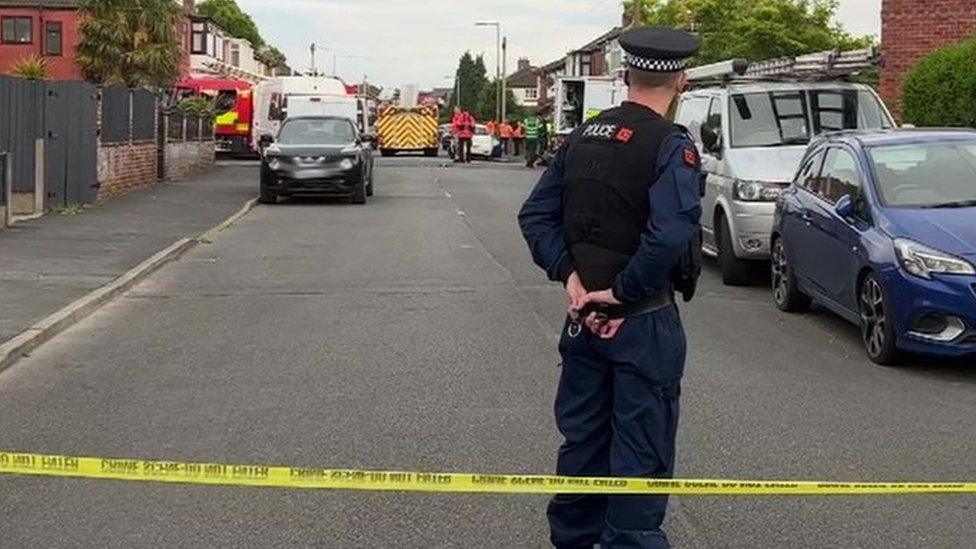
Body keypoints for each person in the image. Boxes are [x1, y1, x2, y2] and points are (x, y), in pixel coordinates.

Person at [517, 26, 703, 548]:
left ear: (624, 76)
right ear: (681, 81)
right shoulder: (670, 146)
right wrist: (622, 293)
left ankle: (574, 539)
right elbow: (671, 231)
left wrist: (571, 278)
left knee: (584, 441)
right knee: (641, 449)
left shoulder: (581, 138)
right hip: (641, 321)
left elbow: (536, 215)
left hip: (582, 320)